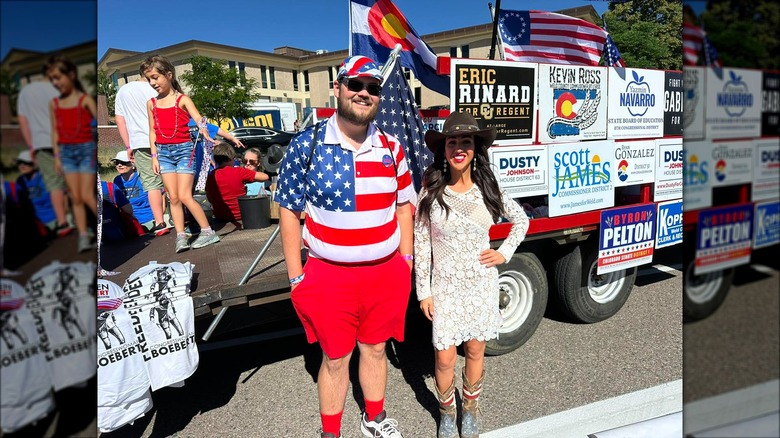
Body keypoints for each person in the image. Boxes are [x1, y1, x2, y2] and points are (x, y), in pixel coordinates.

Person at [275, 55, 415, 438]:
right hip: (328, 274)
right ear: (338, 87)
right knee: (335, 359)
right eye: (356, 84)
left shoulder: (392, 147)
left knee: (375, 349)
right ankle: (330, 433)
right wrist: (295, 276)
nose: (364, 93)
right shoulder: (308, 144)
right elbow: (288, 211)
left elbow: (405, 205)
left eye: (373, 88)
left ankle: (374, 419)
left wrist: (406, 259)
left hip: (386, 272)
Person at [414, 112, 529, 438]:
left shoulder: (488, 190)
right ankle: (448, 415)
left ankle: (472, 410)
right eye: (453, 142)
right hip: (446, 289)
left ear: (476, 148)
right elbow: (421, 244)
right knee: (445, 358)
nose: (459, 148)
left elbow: (522, 222)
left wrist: (504, 253)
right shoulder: (431, 193)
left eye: (466, 142)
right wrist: (424, 290)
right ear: (444, 149)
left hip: (481, 285)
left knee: (476, 351)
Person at [141, 54, 219, 253]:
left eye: (155, 77)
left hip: (184, 151)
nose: (152, 82)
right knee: (173, 197)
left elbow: (199, 119)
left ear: (169, 75)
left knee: (185, 195)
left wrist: (204, 131)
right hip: (164, 153)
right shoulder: (152, 103)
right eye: (149, 78)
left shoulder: (183, 99)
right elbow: (152, 131)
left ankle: (208, 231)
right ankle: (181, 235)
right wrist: (154, 157)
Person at [46, 55, 99, 253]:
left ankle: (102, 229)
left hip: (86, 150)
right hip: (66, 153)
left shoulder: (85, 100)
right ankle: (84, 235)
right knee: (75, 197)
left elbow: (97, 128)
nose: (55, 83)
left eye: (58, 77)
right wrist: (57, 157)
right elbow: (55, 131)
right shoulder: (54, 104)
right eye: (52, 79)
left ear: (71, 75)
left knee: (86, 194)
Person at [17, 79, 72, 237]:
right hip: (64, 139)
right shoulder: (58, 88)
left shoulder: (26, 92)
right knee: (69, 179)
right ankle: (74, 217)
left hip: (41, 142)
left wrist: (31, 145)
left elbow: (23, 120)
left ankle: (63, 222)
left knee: (54, 183)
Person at [115, 77, 170, 236]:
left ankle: (160, 223)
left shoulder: (123, 91)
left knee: (151, 183)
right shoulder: (156, 88)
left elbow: (120, 121)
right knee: (172, 177)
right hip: (163, 138)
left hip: (139, 142)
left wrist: (128, 146)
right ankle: (182, 217)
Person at [205, 142, 269, 223]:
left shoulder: (211, 177)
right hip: (241, 215)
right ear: (232, 157)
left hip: (220, 217)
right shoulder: (239, 172)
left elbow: (210, 199)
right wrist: (247, 179)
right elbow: (265, 177)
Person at [111, 150, 157, 232]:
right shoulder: (117, 181)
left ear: (133, 165)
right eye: (117, 162)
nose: (119, 165)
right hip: (129, 223)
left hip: (148, 220)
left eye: (123, 162)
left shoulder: (142, 177)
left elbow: (161, 196)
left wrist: (157, 219)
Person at [15, 150, 57, 234]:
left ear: (34, 164)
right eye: (19, 163)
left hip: (52, 218)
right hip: (34, 222)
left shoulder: (45, 177)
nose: (22, 165)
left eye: (26, 162)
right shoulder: (20, 181)